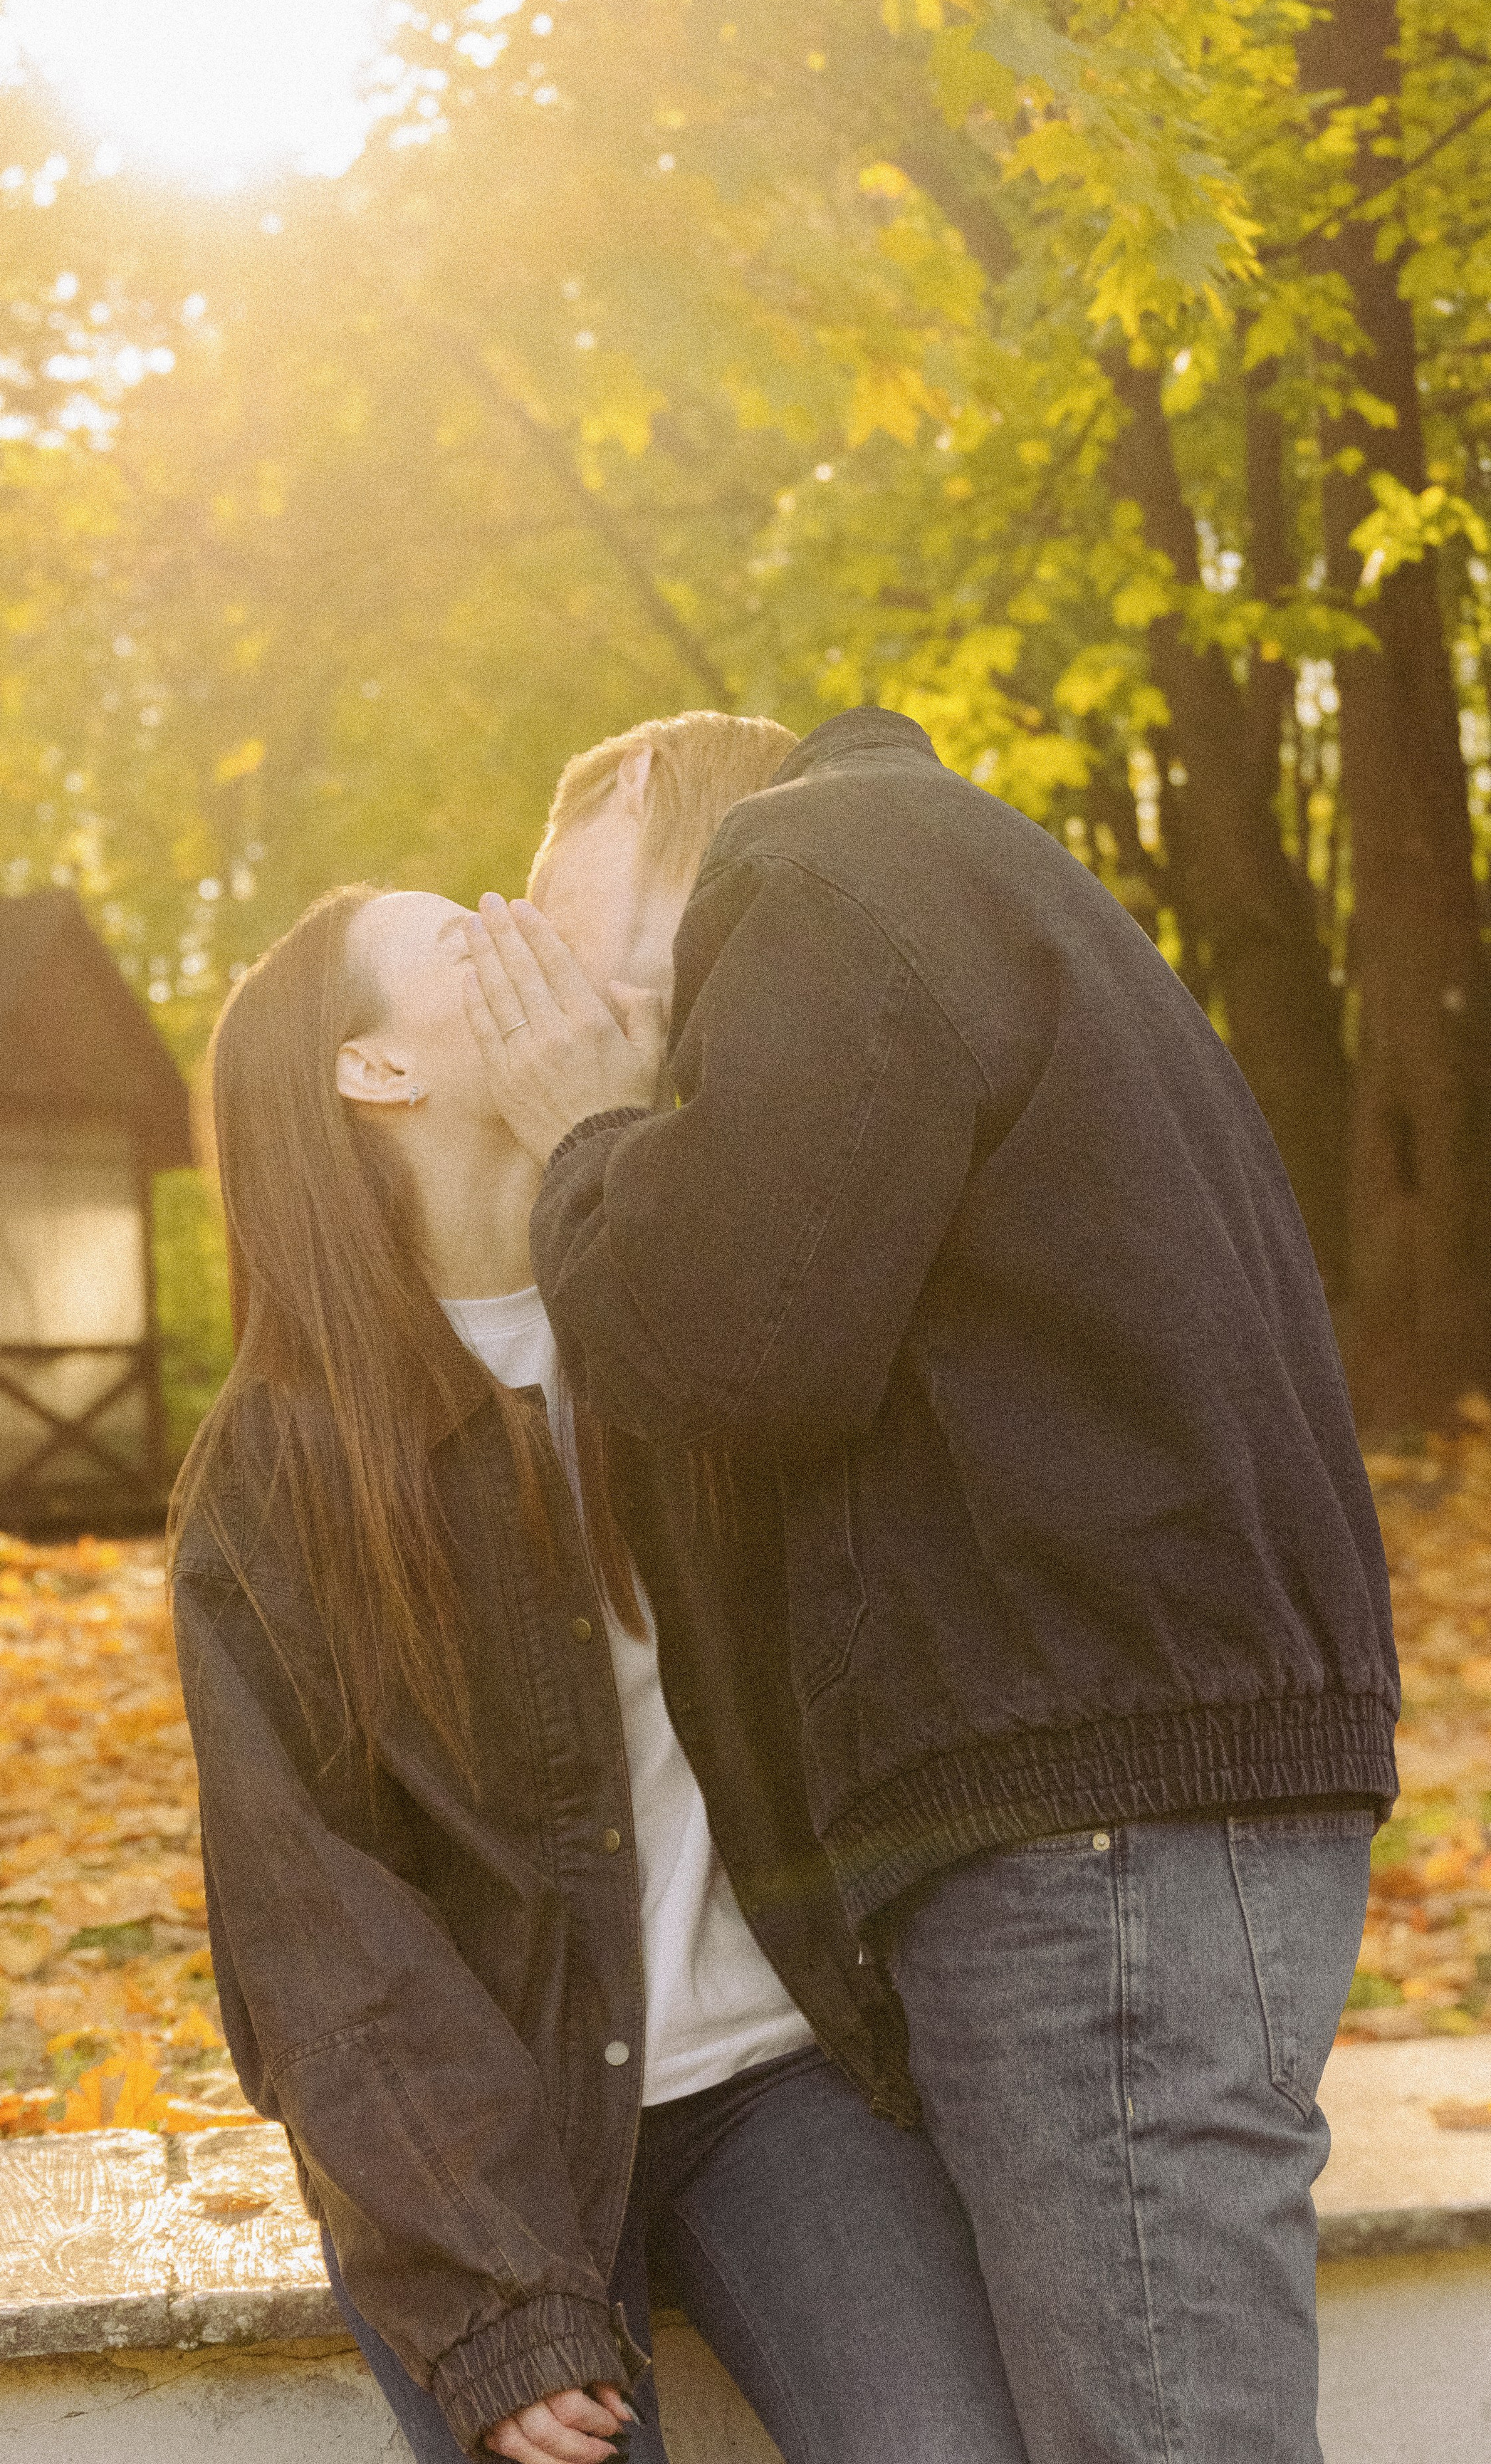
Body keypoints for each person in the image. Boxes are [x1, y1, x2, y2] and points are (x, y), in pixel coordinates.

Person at [461, 705, 1401, 2464]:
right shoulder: (937, 885)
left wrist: (584, 1134)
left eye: (564, 934)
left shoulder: (810, 867)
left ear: (675, 818)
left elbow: (723, 1336)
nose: (564, 1003)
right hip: (1126, 1792)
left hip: (1094, 1820)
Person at [169, 874, 1032, 2464]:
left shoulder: (694, 1330)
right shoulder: (276, 1478)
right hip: (490, 2150)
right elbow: (319, 1940)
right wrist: (492, 2303)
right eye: (457, 931)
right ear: (376, 1071)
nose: (518, 922)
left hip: (782, 2086)